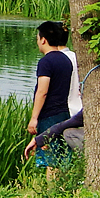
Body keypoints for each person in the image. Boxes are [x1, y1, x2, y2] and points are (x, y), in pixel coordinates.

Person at [27, 21, 73, 168]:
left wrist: (34, 118)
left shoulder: (46, 62)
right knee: (61, 156)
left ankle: (51, 183)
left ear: (43, 40)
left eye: (38, 38)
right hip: (63, 114)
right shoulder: (66, 60)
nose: (37, 42)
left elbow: (42, 91)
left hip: (49, 116)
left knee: (50, 160)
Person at [23, 110, 100, 166]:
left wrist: (37, 140)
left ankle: (91, 165)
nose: (79, 92)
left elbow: (63, 126)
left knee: (69, 133)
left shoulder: (94, 108)